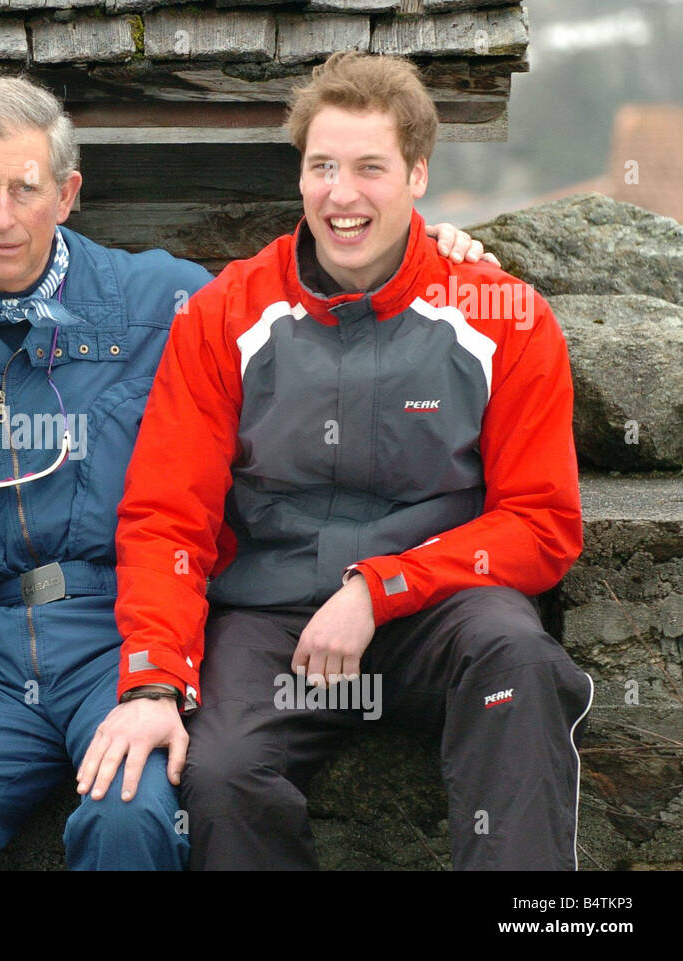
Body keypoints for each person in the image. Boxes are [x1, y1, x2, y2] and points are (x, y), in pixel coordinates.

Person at [0, 75, 491, 870]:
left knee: (132, 815)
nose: (1, 215)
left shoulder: (165, 300)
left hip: (120, 626)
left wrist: (442, 255)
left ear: (67, 193)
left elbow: (317, 289)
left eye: (26, 188)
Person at [81, 52, 595, 870]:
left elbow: (541, 524)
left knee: (521, 665)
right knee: (217, 773)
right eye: (322, 166)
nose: (341, 193)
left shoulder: (504, 317)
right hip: (271, 616)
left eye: (369, 168)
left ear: (418, 174)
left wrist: (382, 585)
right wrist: (154, 677)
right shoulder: (225, 314)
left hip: (439, 609)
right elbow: (167, 516)